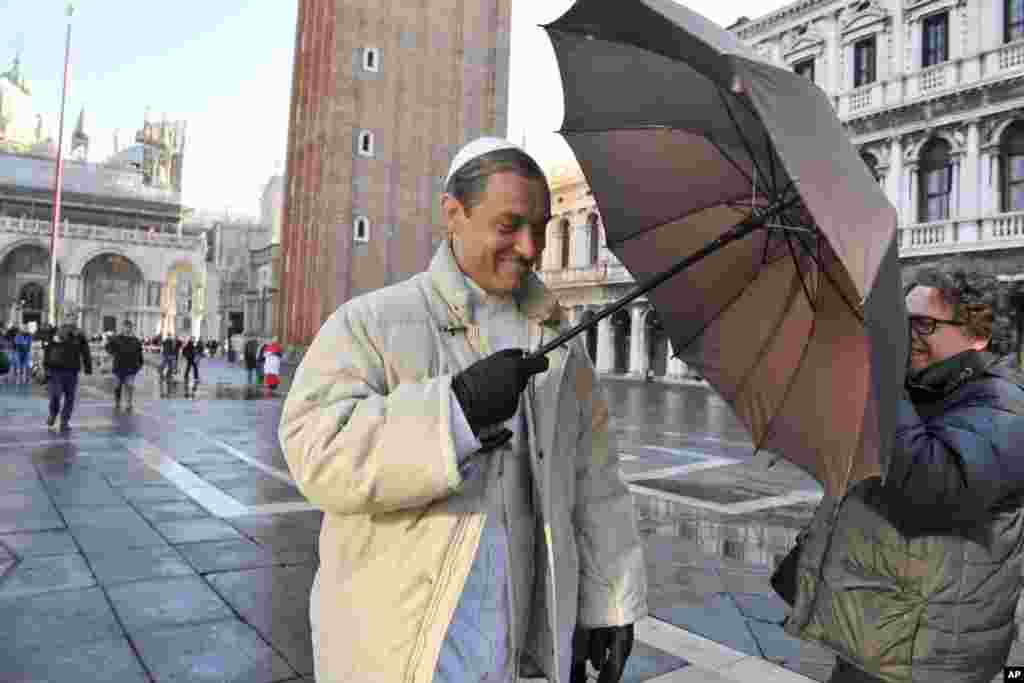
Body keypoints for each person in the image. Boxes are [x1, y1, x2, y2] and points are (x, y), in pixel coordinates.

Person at [279, 138, 647, 683]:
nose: (529, 247)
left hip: (525, 635)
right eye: (509, 225)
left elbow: (595, 479)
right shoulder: (371, 322)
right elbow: (316, 450)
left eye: (541, 228)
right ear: (453, 214)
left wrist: (610, 605)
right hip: (406, 640)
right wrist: (456, 410)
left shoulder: (561, 343)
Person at [784, 266, 1024, 683]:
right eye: (902, 322)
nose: (907, 335)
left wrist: (881, 379)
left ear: (979, 331)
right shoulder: (924, 391)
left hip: (924, 654)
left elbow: (931, 484)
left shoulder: (1004, 405)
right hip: (881, 633)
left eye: (925, 324)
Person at [43, 314, 93, 431]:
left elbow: (85, 351)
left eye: (74, 319)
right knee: (56, 394)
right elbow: (48, 348)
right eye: (69, 318)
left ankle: (64, 421)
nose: (72, 321)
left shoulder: (80, 334)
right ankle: (53, 414)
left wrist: (88, 368)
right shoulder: (57, 331)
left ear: (76, 320)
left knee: (70, 398)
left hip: (72, 370)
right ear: (65, 320)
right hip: (56, 370)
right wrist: (46, 366)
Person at [106, 319, 144, 411]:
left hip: (131, 367)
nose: (127, 329)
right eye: (125, 327)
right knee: (117, 386)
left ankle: (129, 403)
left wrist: (139, 364)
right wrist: (112, 352)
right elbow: (108, 347)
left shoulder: (136, 340)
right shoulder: (116, 338)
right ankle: (117, 402)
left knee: (130, 386)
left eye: (129, 327)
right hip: (118, 366)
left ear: (131, 328)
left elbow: (139, 353)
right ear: (122, 328)